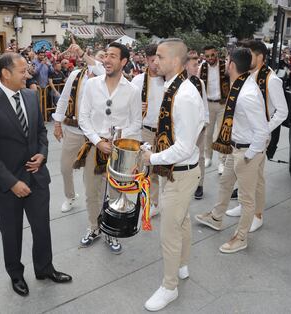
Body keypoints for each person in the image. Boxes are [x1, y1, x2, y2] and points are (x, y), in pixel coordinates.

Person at [0, 52, 71, 297]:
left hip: (37, 178)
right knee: (12, 232)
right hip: (7, 186)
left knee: (42, 228)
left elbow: (40, 132)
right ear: (5, 74)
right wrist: (12, 183)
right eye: (22, 71)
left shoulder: (30, 95)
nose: (28, 74)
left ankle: (45, 268)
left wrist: (42, 154)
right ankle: (16, 275)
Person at [141, 39, 204, 311]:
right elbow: (170, 133)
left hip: (182, 173)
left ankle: (169, 288)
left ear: (176, 62)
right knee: (182, 222)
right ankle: (182, 264)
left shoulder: (186, 94)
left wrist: (152, 158)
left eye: (159, 56)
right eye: (155, 56)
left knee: (169, 232)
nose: (155, 60)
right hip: (173, 172)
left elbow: (185, 146)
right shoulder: (172, 87)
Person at [195, 48, 270, 253]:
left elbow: (262, 132)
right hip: (234, 147)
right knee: (225, 183)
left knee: (246, 198)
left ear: (231, 65)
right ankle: (216, 217)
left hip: (246, 152)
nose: (225, 63)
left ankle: (241, 237)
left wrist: (247, 156)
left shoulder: (247, 94)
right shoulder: (240, 85)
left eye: (227, 60)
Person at [78, 42, 142, 254]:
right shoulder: (92, 84)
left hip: (119, 150)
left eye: (113, 56)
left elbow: (136, 122)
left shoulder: (132, 90)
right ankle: (94, 227)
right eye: (106, 55)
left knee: (116, 193)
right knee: (92, 192)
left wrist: (119, 139)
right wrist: (98, 141)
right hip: (95, 146)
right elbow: (83, 117)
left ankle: (111, 231)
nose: (106, 60)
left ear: (124, 61)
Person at [225, 40, 288, 232]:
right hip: (245, 135)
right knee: (245, 177)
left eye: (250, 54)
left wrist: (266, 129)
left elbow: (283, 111)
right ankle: (244, 206)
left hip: (260, 136)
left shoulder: (272, 80)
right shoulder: (250, 76)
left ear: (260, 57)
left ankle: (257, 215)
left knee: (258, 178)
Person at [53, 48, 105, 213]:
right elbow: (63, 98)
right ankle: (70, 196)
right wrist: (57, 123)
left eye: (107, 56)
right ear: (91, 57)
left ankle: (96, 202)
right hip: (74, 130)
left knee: (92, 173)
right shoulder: (76, 75)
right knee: (65, 167)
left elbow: (100, 69)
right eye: (101, 55)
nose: (103, 59)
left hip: (96, 135)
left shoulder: (106, 78)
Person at [131, 44, 164, 216]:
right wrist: (137, 105)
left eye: (158, 59)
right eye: (152, 60)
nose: (156, 64)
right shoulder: (137, 81)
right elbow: (127, 106)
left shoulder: (168, 80)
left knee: (161, 168)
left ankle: (156, 201)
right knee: (146, 168)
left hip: (165, 131)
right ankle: (151, 201)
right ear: (146, 60)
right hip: (146, 130)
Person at [199, 45, 230, 174]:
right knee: (208, 134)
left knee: (221, 134)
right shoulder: (202, 67)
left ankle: (222, 162)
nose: (210, 58)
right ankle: (208, 157)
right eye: (207, 56)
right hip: (208, 104)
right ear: (204, 56)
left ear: (216, 53)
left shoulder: (225, 65)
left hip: (222, 104)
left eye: (212, 55)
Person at [186, 51, 210, 200]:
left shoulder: (199, 82)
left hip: (198, 127)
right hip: (183, 127)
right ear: (185, 65)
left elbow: (204, 105)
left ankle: (199, 184)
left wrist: (204, 123)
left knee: (200, 156)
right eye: (194, 65)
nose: (197, 67)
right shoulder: (177, 81)